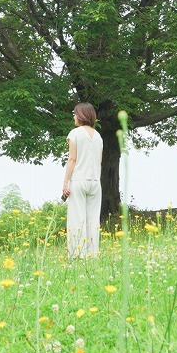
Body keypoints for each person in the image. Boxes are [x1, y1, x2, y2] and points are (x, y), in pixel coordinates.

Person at [62, 102, 103, 259]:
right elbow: (99, 161)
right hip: (95, 182)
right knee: (93, 220)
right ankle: (93, 255)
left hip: (79, 180)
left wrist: (65, 182)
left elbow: (72, 159)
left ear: (81, 115)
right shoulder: (98, 136)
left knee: (76, 219)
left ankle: (76, 255)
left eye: (75, 113)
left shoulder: (75, 133)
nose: (74, 116)